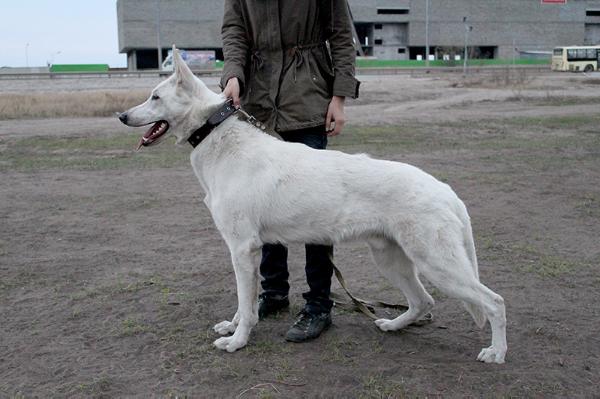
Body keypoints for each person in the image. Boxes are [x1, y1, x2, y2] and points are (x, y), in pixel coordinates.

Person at [220, 0, 360, 342]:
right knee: (261, 205)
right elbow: (234, 32)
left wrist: (339, 97)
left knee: (316, 208)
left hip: (308, 100)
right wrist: (233, 74)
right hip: (259, 104)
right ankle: (274, 294)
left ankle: (318, 305)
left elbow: (342, 36)